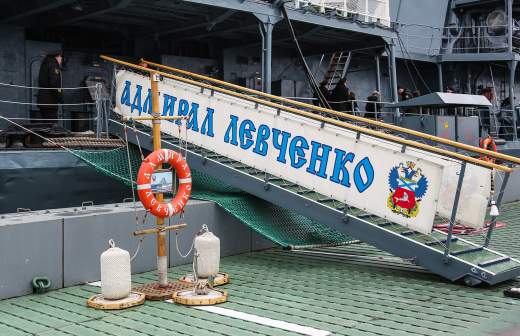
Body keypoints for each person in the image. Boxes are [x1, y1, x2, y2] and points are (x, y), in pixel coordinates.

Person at [37, 51, 63, 121]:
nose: (61, 60)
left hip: (42, 100)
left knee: (46, 124)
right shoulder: (53, 65)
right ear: (57, 57)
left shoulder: (45, 64)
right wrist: (60, 96)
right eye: (61, 57)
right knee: (52, 124)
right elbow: (54, 83)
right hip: (50, 101)